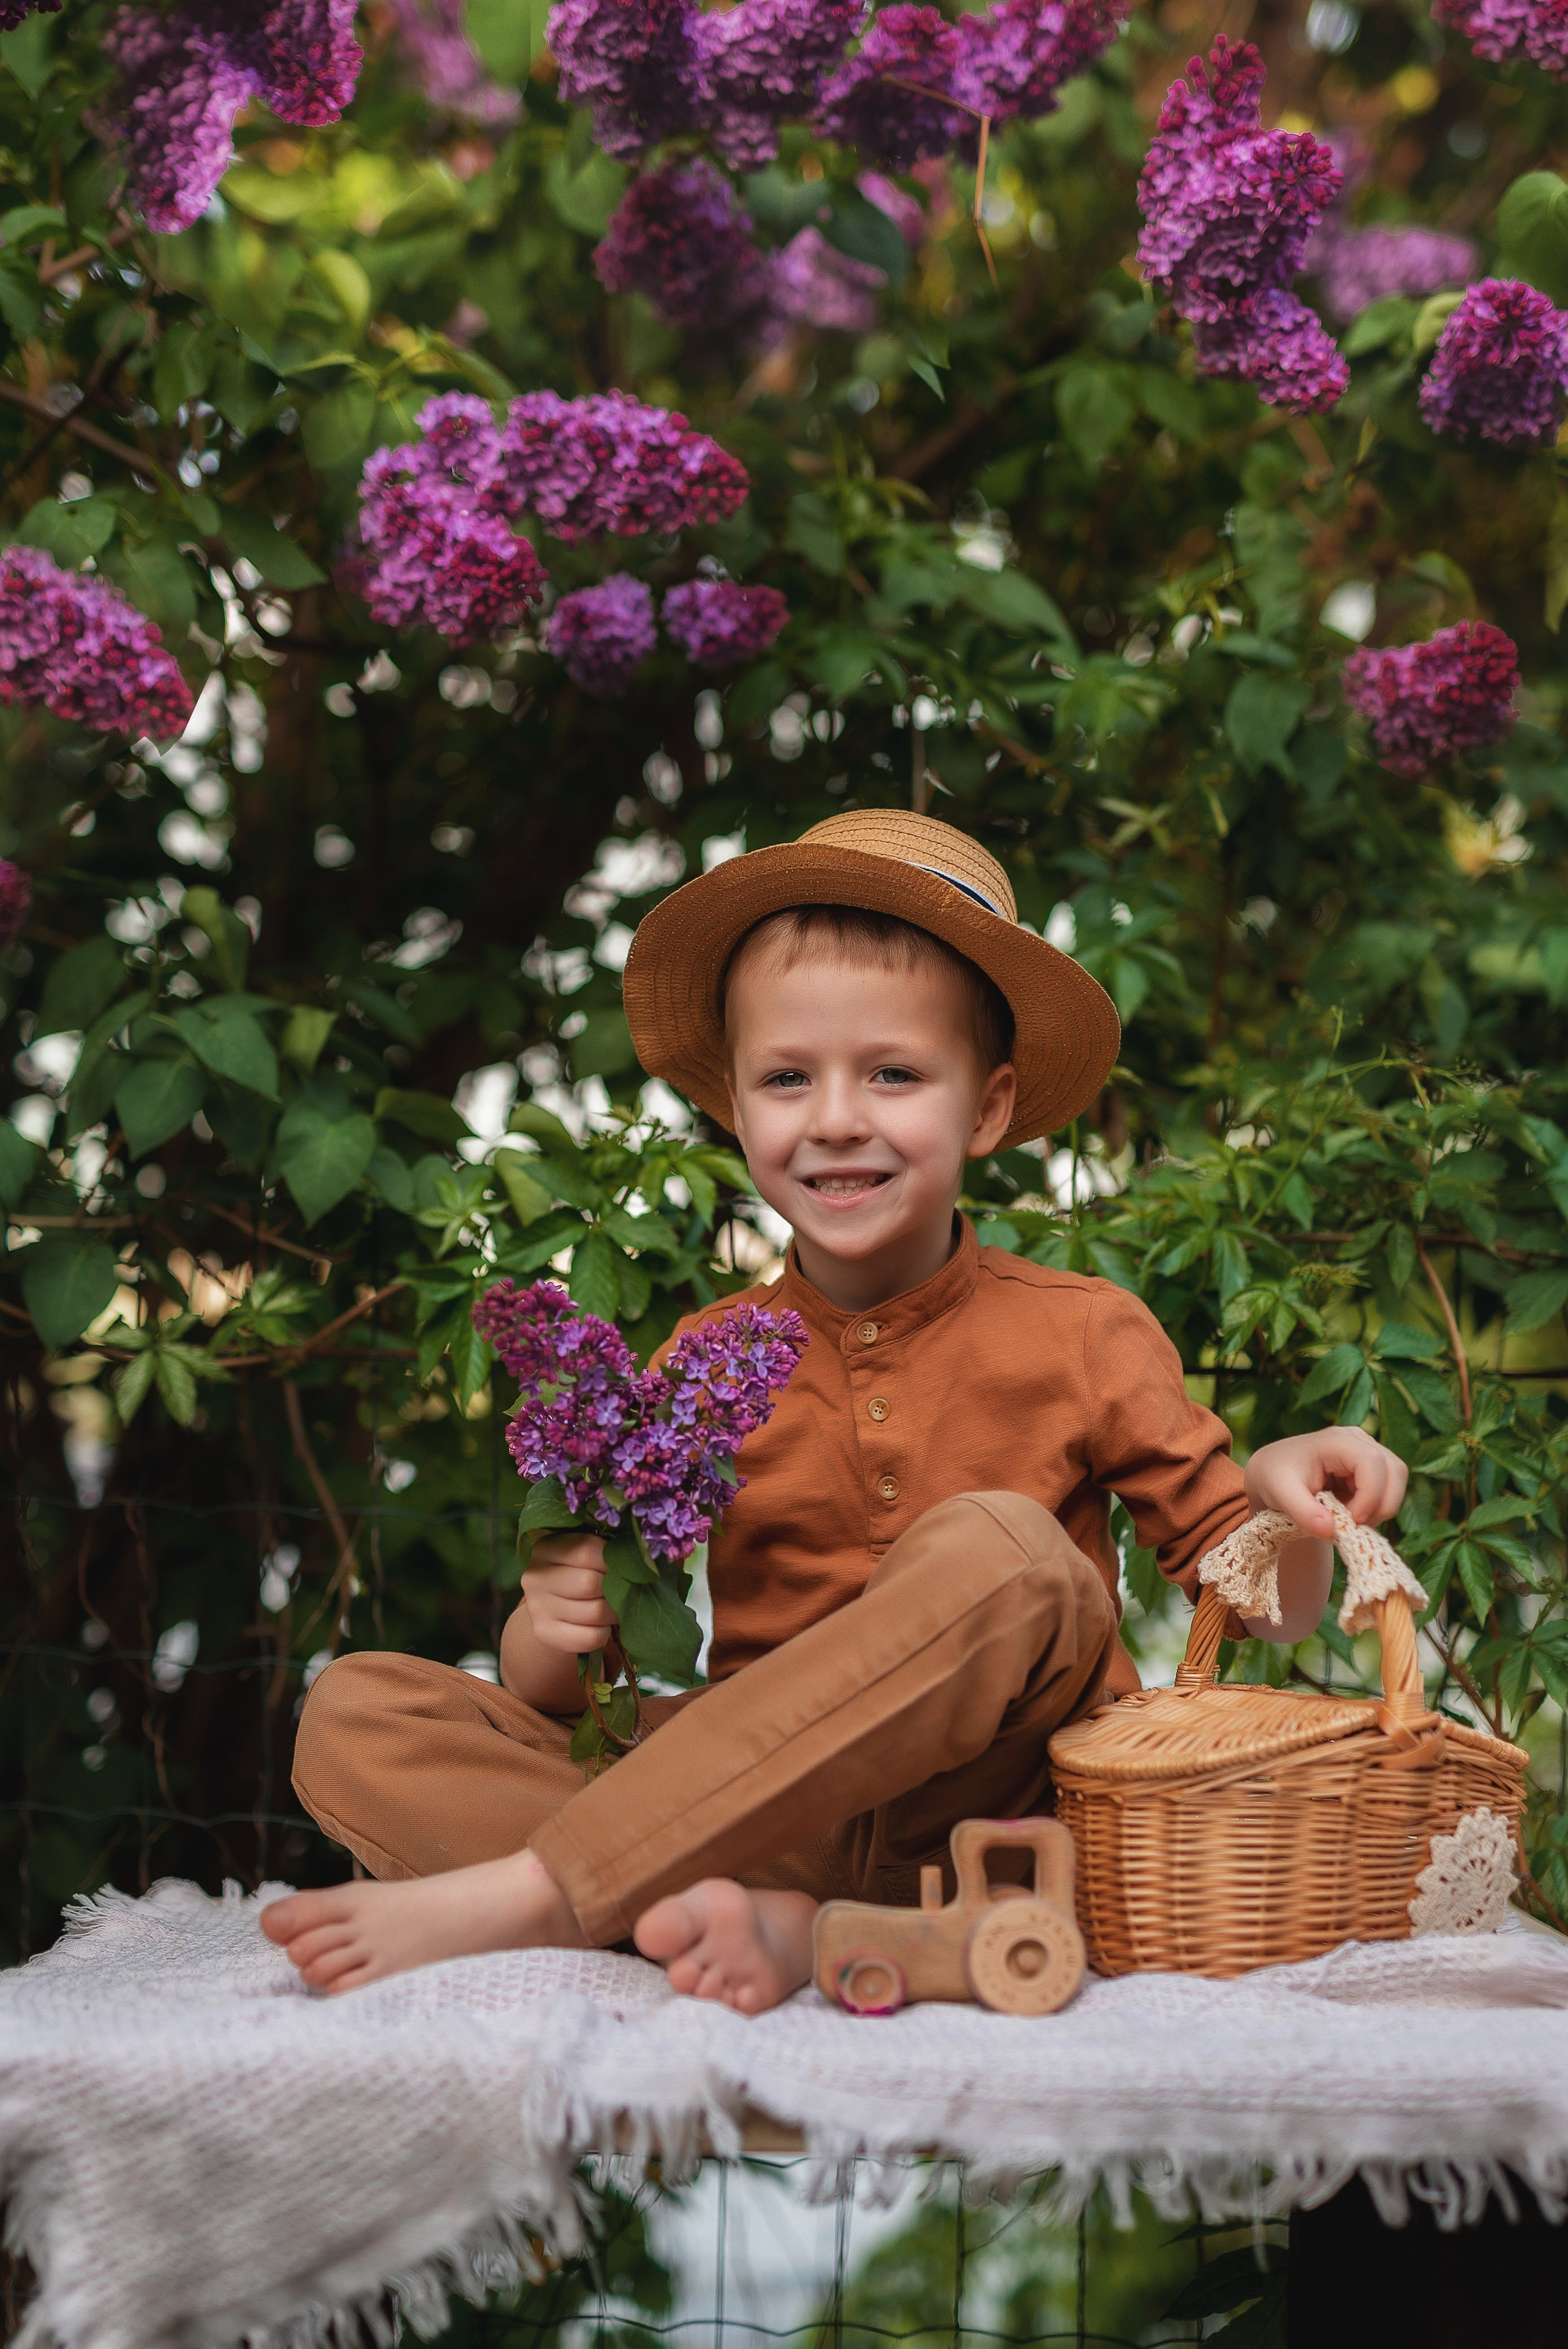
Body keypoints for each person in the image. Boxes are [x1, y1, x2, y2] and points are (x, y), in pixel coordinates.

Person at [262, 809, 1406, 2009]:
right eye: (787, 1078)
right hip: (756, 1811)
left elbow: (1264, 1611)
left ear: (989, 1107)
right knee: (359, 1710)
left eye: (894, 1074)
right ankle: (805, 1925)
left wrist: (1285, 1499)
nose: (836, 1119)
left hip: (1007, 1815)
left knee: (1009, 1554)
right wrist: (550, 1630)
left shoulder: (1083, 1331)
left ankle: (550, 1894)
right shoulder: (704, 1360)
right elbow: (564, 1695)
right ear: (738, 1110)